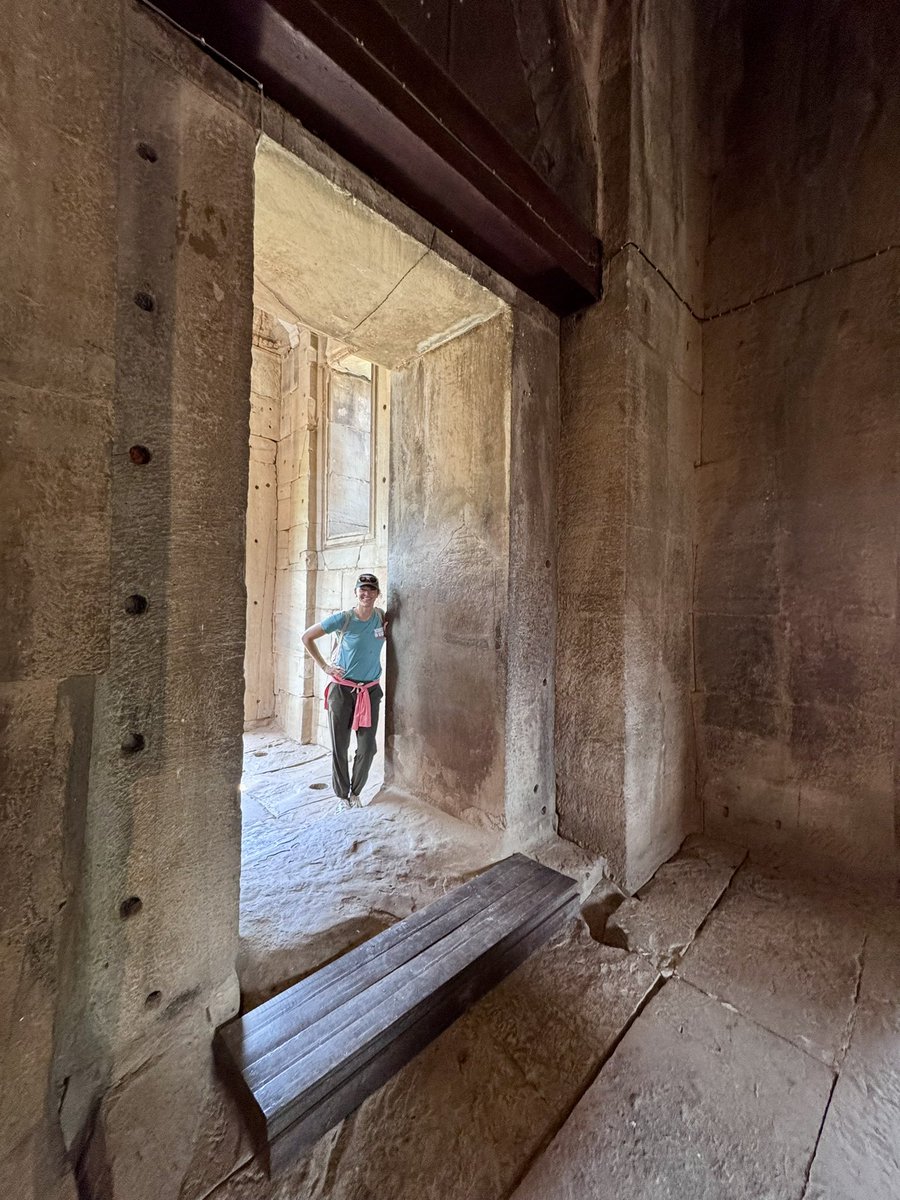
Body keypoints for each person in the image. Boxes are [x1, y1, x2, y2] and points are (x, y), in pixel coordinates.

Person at [301, 573, 387, 810]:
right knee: (340, 745)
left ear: (377, 594)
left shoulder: (380, 617)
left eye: (371, 590)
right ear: (356, 592)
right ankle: (342, 795)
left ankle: (356, 791)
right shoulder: (345, 618)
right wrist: (326, 667)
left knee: (368, 747)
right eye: (362, 589)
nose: (366, 594)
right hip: (343, 690)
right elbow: (307, 637)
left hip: (370, 692)